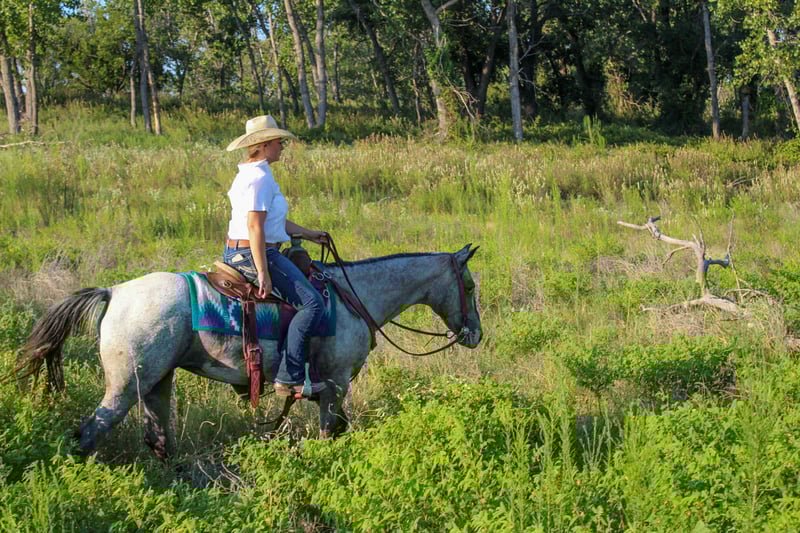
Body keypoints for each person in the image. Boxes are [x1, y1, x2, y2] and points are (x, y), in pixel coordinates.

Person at [223, 115, 328, 397]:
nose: (282, 146)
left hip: (242, 249)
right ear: (265, 144)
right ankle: (289, 377)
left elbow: (272, 221)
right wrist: (262, 271)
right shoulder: (259, 178)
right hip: (255, 251)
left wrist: (309, 234)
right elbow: (255, 226)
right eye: (279, 142)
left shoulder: (252, 173)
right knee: (312, 305)